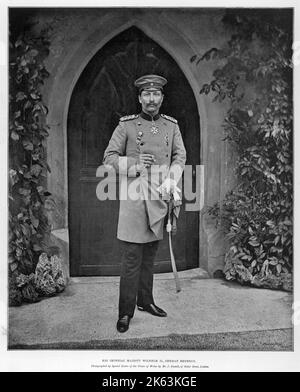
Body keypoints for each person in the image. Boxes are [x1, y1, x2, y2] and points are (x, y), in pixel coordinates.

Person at [102, 74, 186, 333]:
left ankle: (146, 301)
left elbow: (179, 154)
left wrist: (172, 180)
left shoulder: (171, 126)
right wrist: (136, 165)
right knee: (131, 259)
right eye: (146, 94)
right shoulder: (127, 126)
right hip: (135, 200)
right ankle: (125, 312)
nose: (151, 99)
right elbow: (109, 157)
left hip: (160, 196)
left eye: (156, 94)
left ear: (162, 98)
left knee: (149, 256)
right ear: (140, 98)